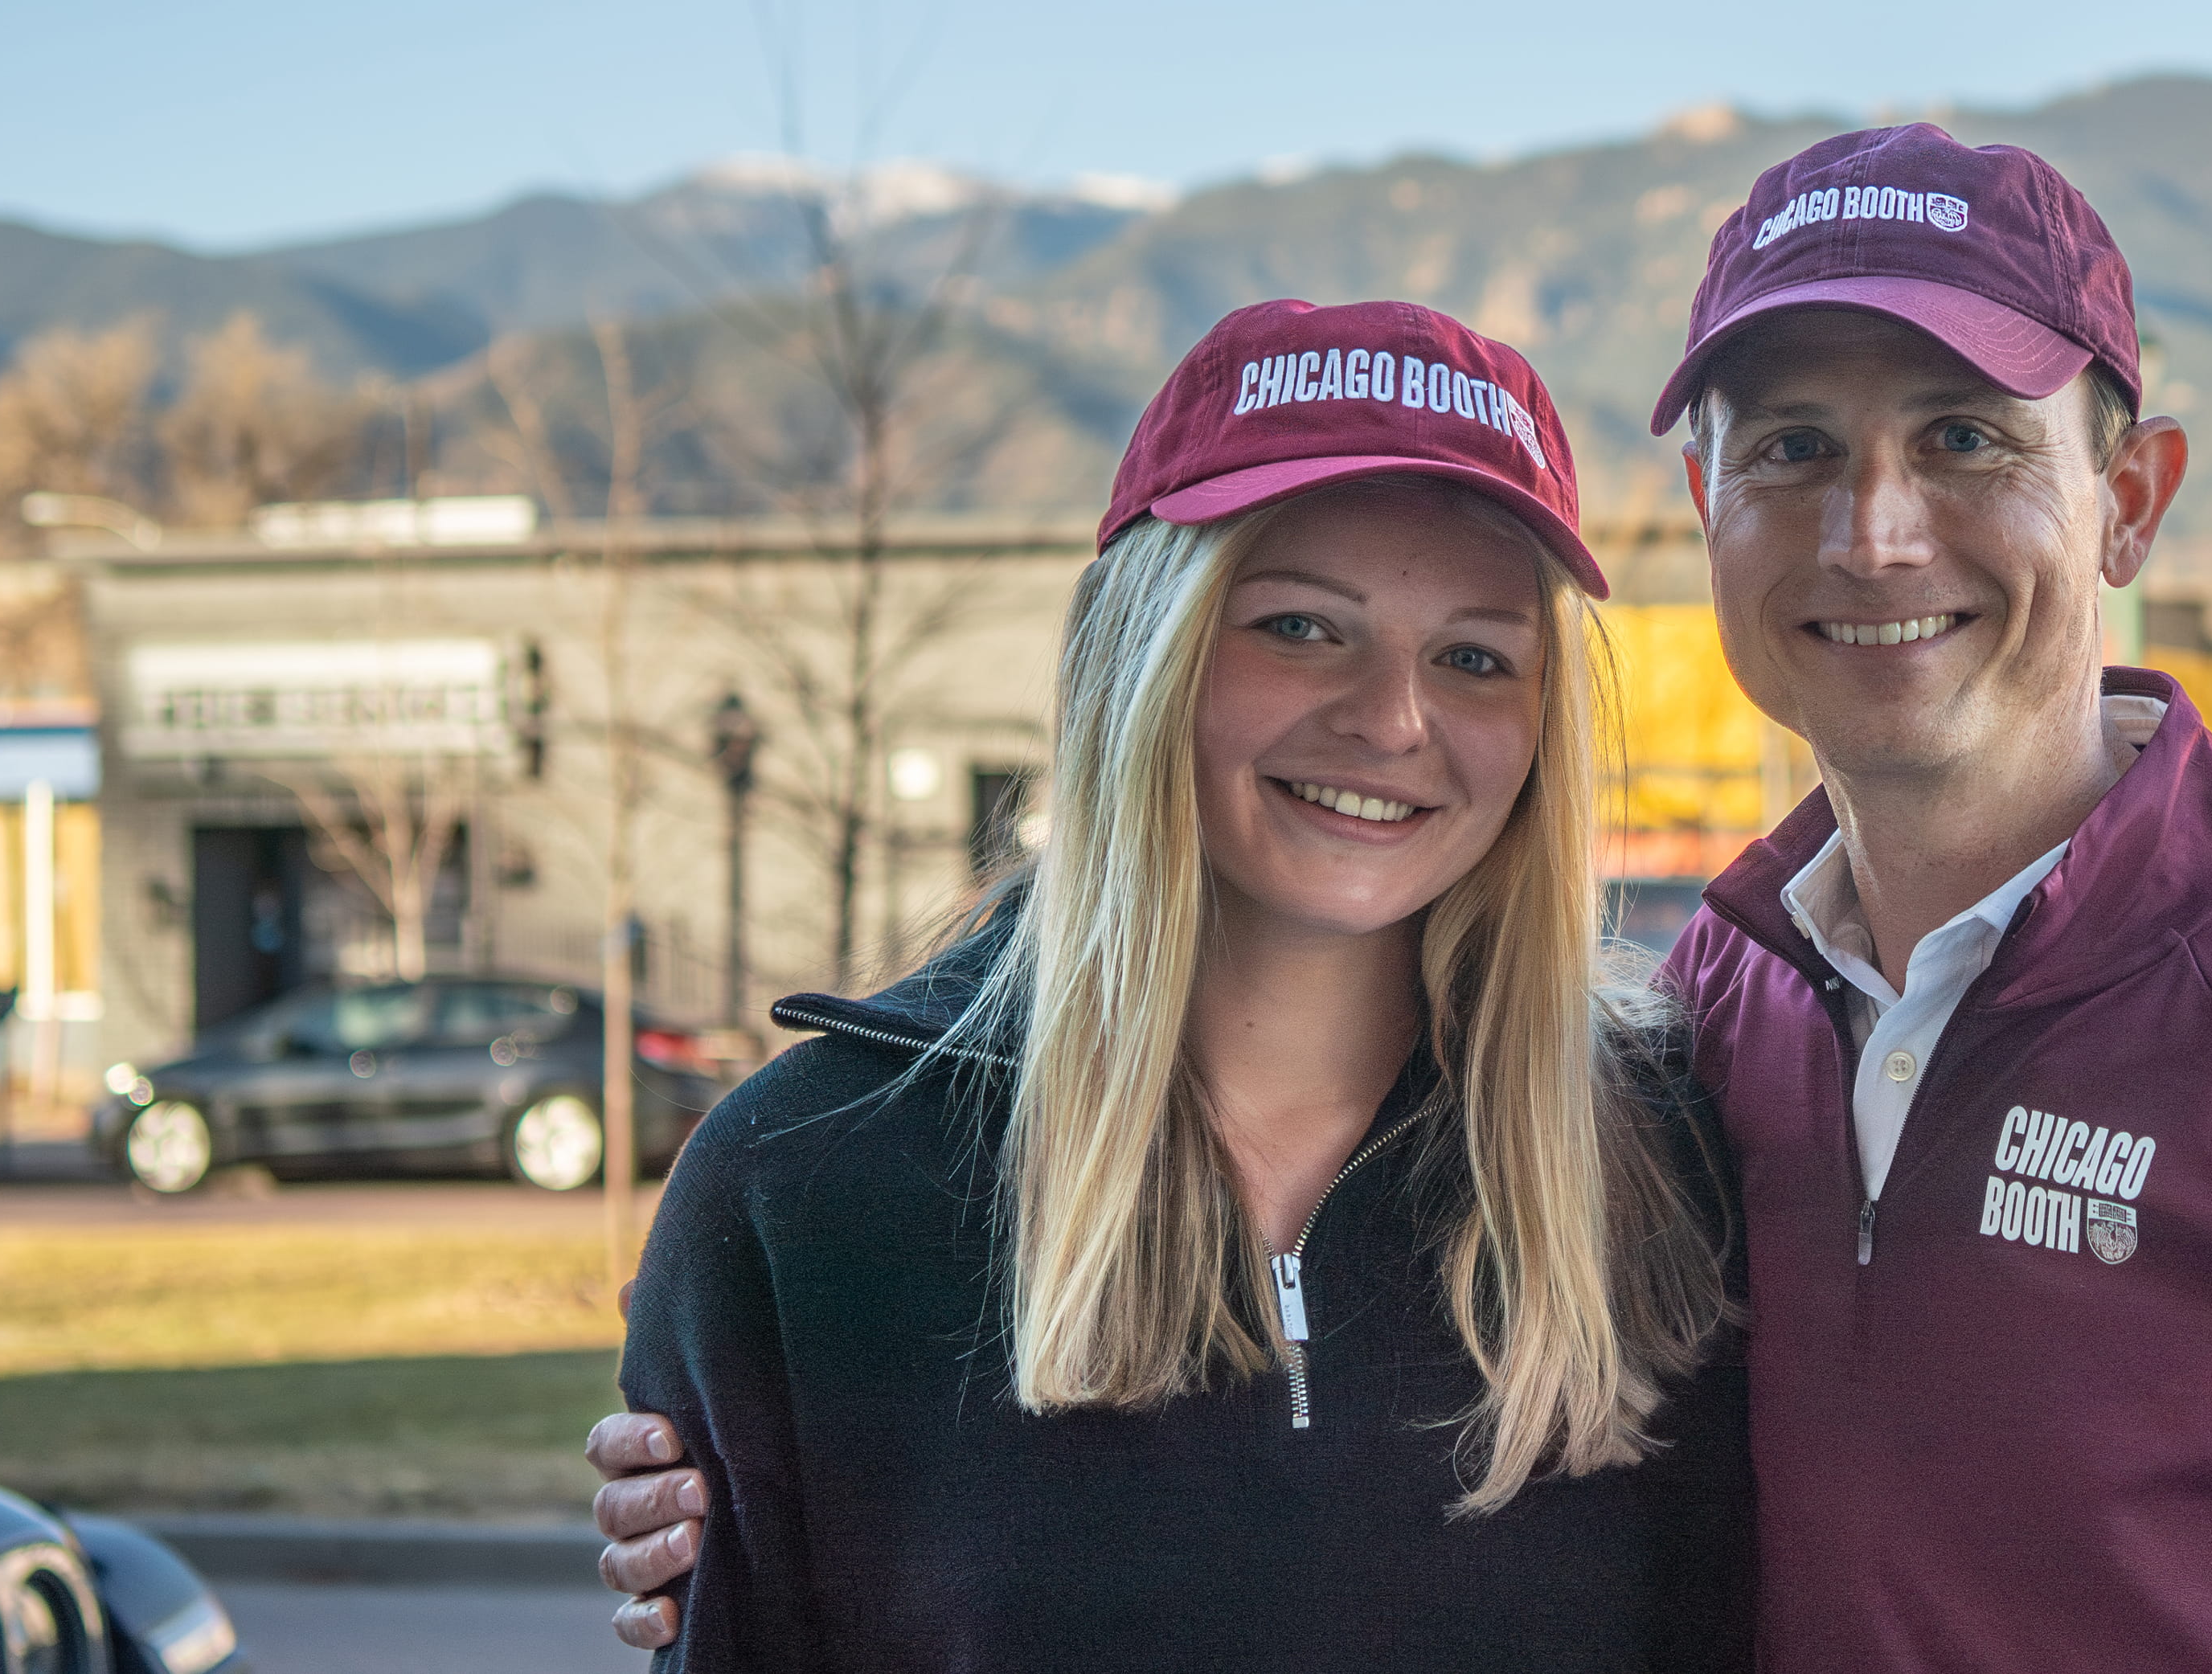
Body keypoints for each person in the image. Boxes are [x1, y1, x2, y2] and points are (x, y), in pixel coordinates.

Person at [605, 129, 2212, 1670]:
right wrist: (738, 1493)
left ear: (2127, 496)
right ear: (1707, 508)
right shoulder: (1695, 1047)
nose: (1875, 531)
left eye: (1966, 438)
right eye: (1793, 446)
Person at [604, 296, 1751, 1671]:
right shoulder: (808, 1183)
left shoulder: (1666, 1162)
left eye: (1473, 657)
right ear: (1141, 659)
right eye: (1301, 628)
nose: (1395, 720)